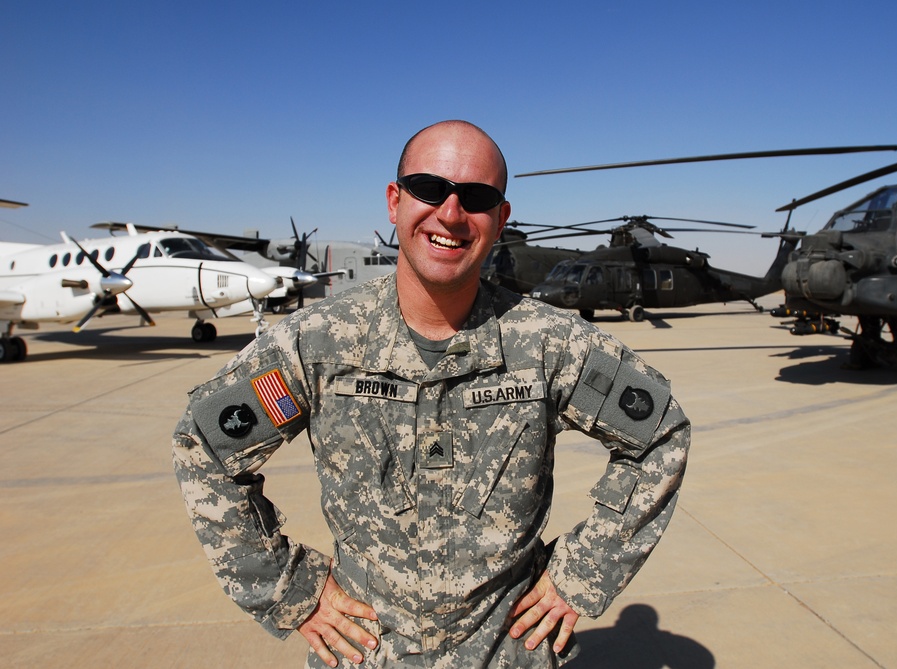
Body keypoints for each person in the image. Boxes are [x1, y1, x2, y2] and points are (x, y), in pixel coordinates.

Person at [172, 120, 690, 668]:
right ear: (395, 202)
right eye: (428, 188)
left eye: (477, 197)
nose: (450, 213)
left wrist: (580, 575)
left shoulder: (548, 344)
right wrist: (290, 590)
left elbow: (660, 434)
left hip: (510, 655)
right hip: (369, 654)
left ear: (500, 218)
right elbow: (205, 445)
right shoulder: (318, 343)